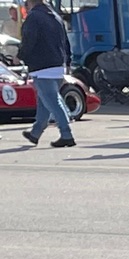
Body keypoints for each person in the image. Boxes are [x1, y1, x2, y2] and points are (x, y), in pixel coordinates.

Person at [18, 0, 74, 148]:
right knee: (44, 102)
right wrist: (68, 61)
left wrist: (21, 56)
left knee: (53, 102)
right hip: (58, 64)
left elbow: (29, 40)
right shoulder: (55, 16)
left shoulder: (33, 17)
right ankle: (35, 133)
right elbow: (65, 42)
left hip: (41, 66)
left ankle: (66, 134)